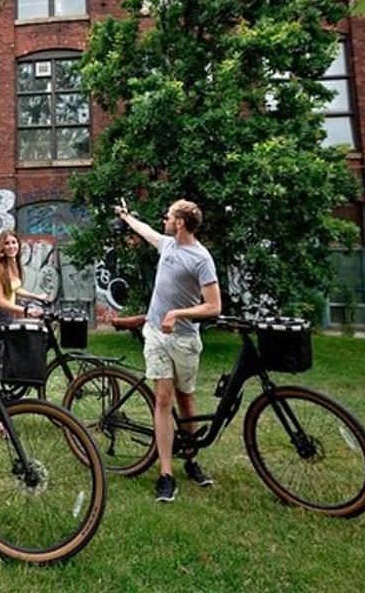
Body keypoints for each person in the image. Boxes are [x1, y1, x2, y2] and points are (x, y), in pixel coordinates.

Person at [114, 199, 221, 503]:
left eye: (169, 215)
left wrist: (178, 314)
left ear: (181, 223)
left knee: (186, 400)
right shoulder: (167, 245)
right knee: (164, 398)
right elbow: (144, 229)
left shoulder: (201, 259)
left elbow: (214, 306)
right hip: (156, 335)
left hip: (185, 339)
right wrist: (126, 215)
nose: (164, 218)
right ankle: (165, 473)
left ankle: (190, 459)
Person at [0, 229, 48, 320]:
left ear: (18, 244)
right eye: (7, 243)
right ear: (1, 247)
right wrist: (26, 311)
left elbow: (15, 288)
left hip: (9, 313)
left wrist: (36, 296)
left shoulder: (14, 266)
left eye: (14, 242)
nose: (11, 246)